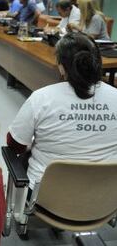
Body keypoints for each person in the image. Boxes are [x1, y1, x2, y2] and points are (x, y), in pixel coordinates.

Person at [7, 33, 117, 190]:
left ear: (61, 66)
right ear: (98, 62)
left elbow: (15, 144)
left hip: (47, 198)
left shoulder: (41, 98)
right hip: (106, 199)